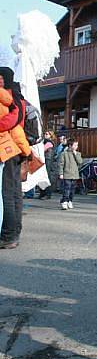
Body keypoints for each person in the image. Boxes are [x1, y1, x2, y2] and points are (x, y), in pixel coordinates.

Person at [0, 66, 30, 249]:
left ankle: (9, 235)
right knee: (15, 193)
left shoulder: (11, 98)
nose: (0, 81)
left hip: (10, 149)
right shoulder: (18, 97)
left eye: (2, 78)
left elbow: (13, 121)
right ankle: (15, 232)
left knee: (8, 193)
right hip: (18, 148)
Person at [58, 139, 83, 210]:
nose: (76, 146)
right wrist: (61, 173)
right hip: (67, 174)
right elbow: (61, 164)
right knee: (67, 189)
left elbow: (80, 162)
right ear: (70, 145)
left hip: (75, 175)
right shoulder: (64, 153)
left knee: (72, 190)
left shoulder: (78, 153)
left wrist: (75, 154)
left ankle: (70, 200)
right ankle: (64, 201)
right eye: (75, 145)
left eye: (77, 145)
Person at [39, 130, 57, 199]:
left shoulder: (49, 143)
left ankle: (47, 194)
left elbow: (42, 149)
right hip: (44, 159)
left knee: (46, 177)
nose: (45, 135)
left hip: (48, 160)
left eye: (47, 134)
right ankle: (42, 193)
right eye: (45, 134)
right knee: (41, 177)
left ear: (50, 136)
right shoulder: (45, 142)